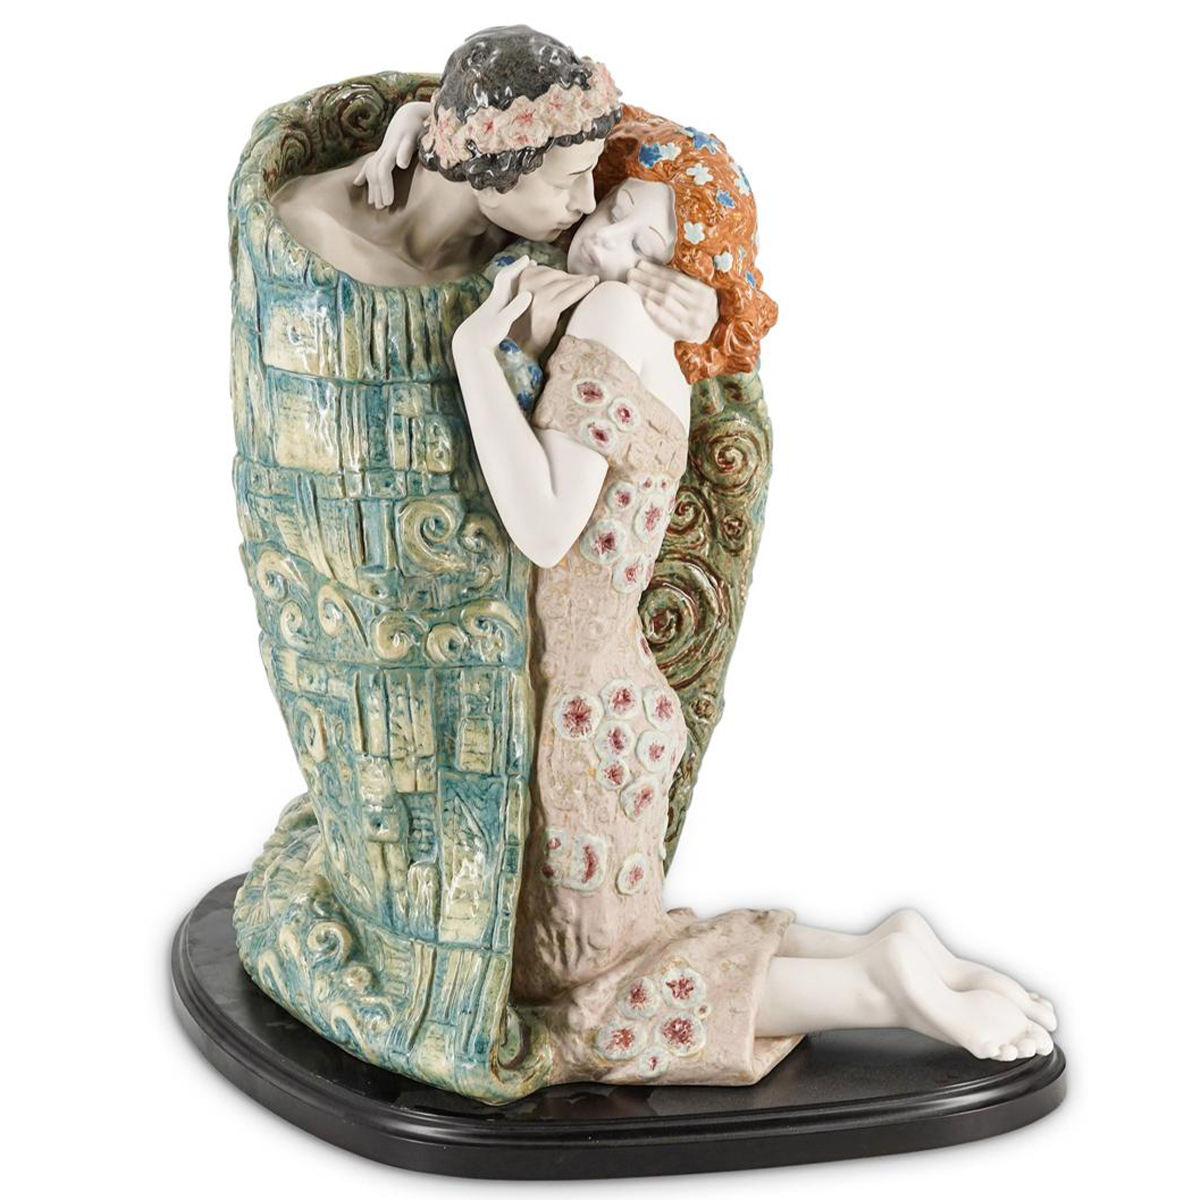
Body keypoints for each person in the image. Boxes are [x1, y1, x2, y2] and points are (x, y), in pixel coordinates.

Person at [444, 104, 1057, 1085]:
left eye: (647, 240)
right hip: (615, 702)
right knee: (630, 942)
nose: (607, 234)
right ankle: (878, 949)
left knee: (581, 1001)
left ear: (680, 268)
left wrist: (475, 357)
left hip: (579, 713)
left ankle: (880, 989)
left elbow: (548, 526)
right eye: (615, 206)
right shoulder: (642, 325)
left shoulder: (614, 318)